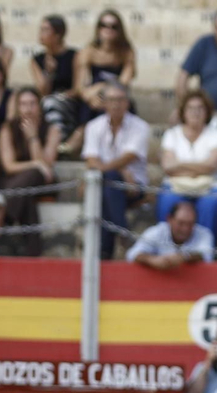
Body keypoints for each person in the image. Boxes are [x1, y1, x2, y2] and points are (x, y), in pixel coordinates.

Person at [81, 82, 149, 260]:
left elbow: (129, 156)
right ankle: (121, 229)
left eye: (120, 100)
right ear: (104, 103)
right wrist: (120, 170)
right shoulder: (93, 126)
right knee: (108, 185)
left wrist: (110, 169)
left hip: (134, 186)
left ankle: (104, 254)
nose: (116, 104)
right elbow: (91, 160)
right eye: (111, 100)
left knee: (106, 186)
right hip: (111, 186)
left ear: (127, 102)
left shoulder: (140, 126)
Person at [157, 89, 217, 240]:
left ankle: (205, 251)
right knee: (168, 200)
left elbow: (213, 165)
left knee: (209, 204)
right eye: (191, 108)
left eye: (200, 108)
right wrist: (200, 168)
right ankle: (166, 247)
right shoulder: (172, 134)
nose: (195, 113)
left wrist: (180, 165)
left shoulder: (216, 133)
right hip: (175, 186)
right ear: (183, 112)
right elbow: (168, 167)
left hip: (210, 186)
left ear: (207, 112)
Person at [0, 87, 58, 236]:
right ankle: (33, 252)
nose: (28, 109)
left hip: (43, 182)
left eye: (32, 104)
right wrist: (36, 164)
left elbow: (47, 164)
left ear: (39, 107)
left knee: (34, 174)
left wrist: (33, 138)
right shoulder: (8, 128)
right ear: (18, 107)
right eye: (23, 104)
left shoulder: (52, 129)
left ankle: (5, 222)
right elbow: (9, 166)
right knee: (27, 196)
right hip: (15, 181)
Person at [72, 8, 137, 137]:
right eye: (104, 25)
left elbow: (123, 83)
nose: (108, 29)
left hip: (116, 96)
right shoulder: (88, 52)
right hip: (94, 98)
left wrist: (101, 89)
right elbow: (80, 86)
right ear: (98, 28)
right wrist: (90, 98)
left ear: (119, 30)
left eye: (114, 26)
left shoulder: (126, 53)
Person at [32, 15, 79, 143]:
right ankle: (56, 142)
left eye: (45, 30)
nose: (41, 34)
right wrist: (48, 73)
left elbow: (77, 88)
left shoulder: (74, 56)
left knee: (51, 103)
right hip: (48, 101)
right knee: (48, 103)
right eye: (41, 29)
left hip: (70, 100)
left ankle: (55, 142)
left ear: (58, 35)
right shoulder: (37, 60)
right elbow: (42, 91)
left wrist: (61, 97)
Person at [128, 198, 212, 268]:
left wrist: (184, 256)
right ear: (169, 219)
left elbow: (206, 255)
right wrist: (152, 260)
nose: (185, 229)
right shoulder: (156, 231)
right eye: (181, 223)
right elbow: (133, 254)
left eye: (190, 224)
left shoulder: (204, 234)